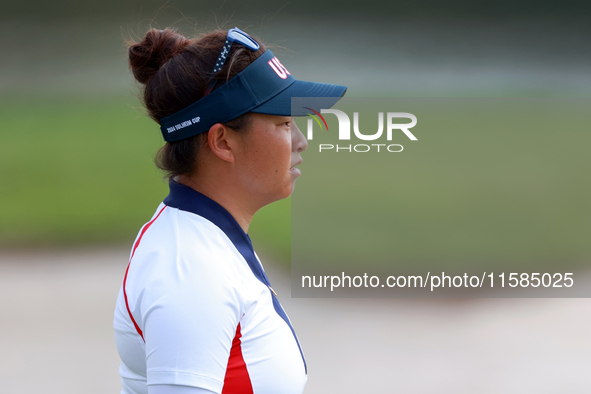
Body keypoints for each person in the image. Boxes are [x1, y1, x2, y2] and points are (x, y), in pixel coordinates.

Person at [113, 26, 347, 394]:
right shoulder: (189, 270)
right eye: (284, 123)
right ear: (222, 141)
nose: (300, 141)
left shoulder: (205, 240)